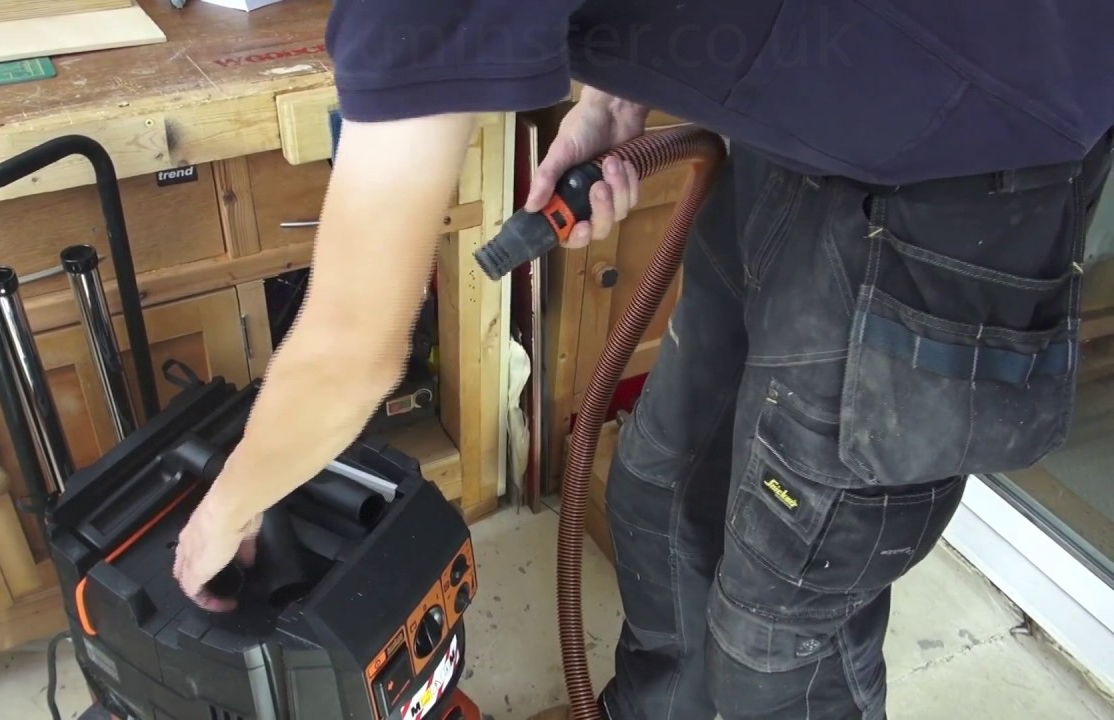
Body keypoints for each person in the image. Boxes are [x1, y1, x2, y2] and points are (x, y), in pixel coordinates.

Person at [173, 2, 1114, 718]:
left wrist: (223, 514)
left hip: (970, 162)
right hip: (816, 122)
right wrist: (611, 100)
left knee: (779, 623)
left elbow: (351, 349)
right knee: (659, 491)